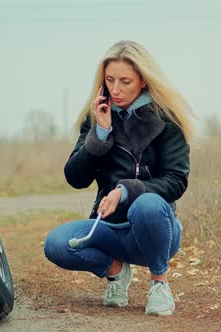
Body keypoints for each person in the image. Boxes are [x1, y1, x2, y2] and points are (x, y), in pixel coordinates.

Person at [44, 40, 193, 316]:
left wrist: (125, 191)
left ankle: (160, 283)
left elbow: (176, 181)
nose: (115, 89)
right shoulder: (97, 118)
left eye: (125, 81)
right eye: (110, 80)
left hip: (157, 228)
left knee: (146, 204)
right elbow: (75, 178)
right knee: (56, 244)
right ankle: (117, 271)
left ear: (144, 82)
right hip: (110, 228)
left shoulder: (168, 121)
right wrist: (100, 135)